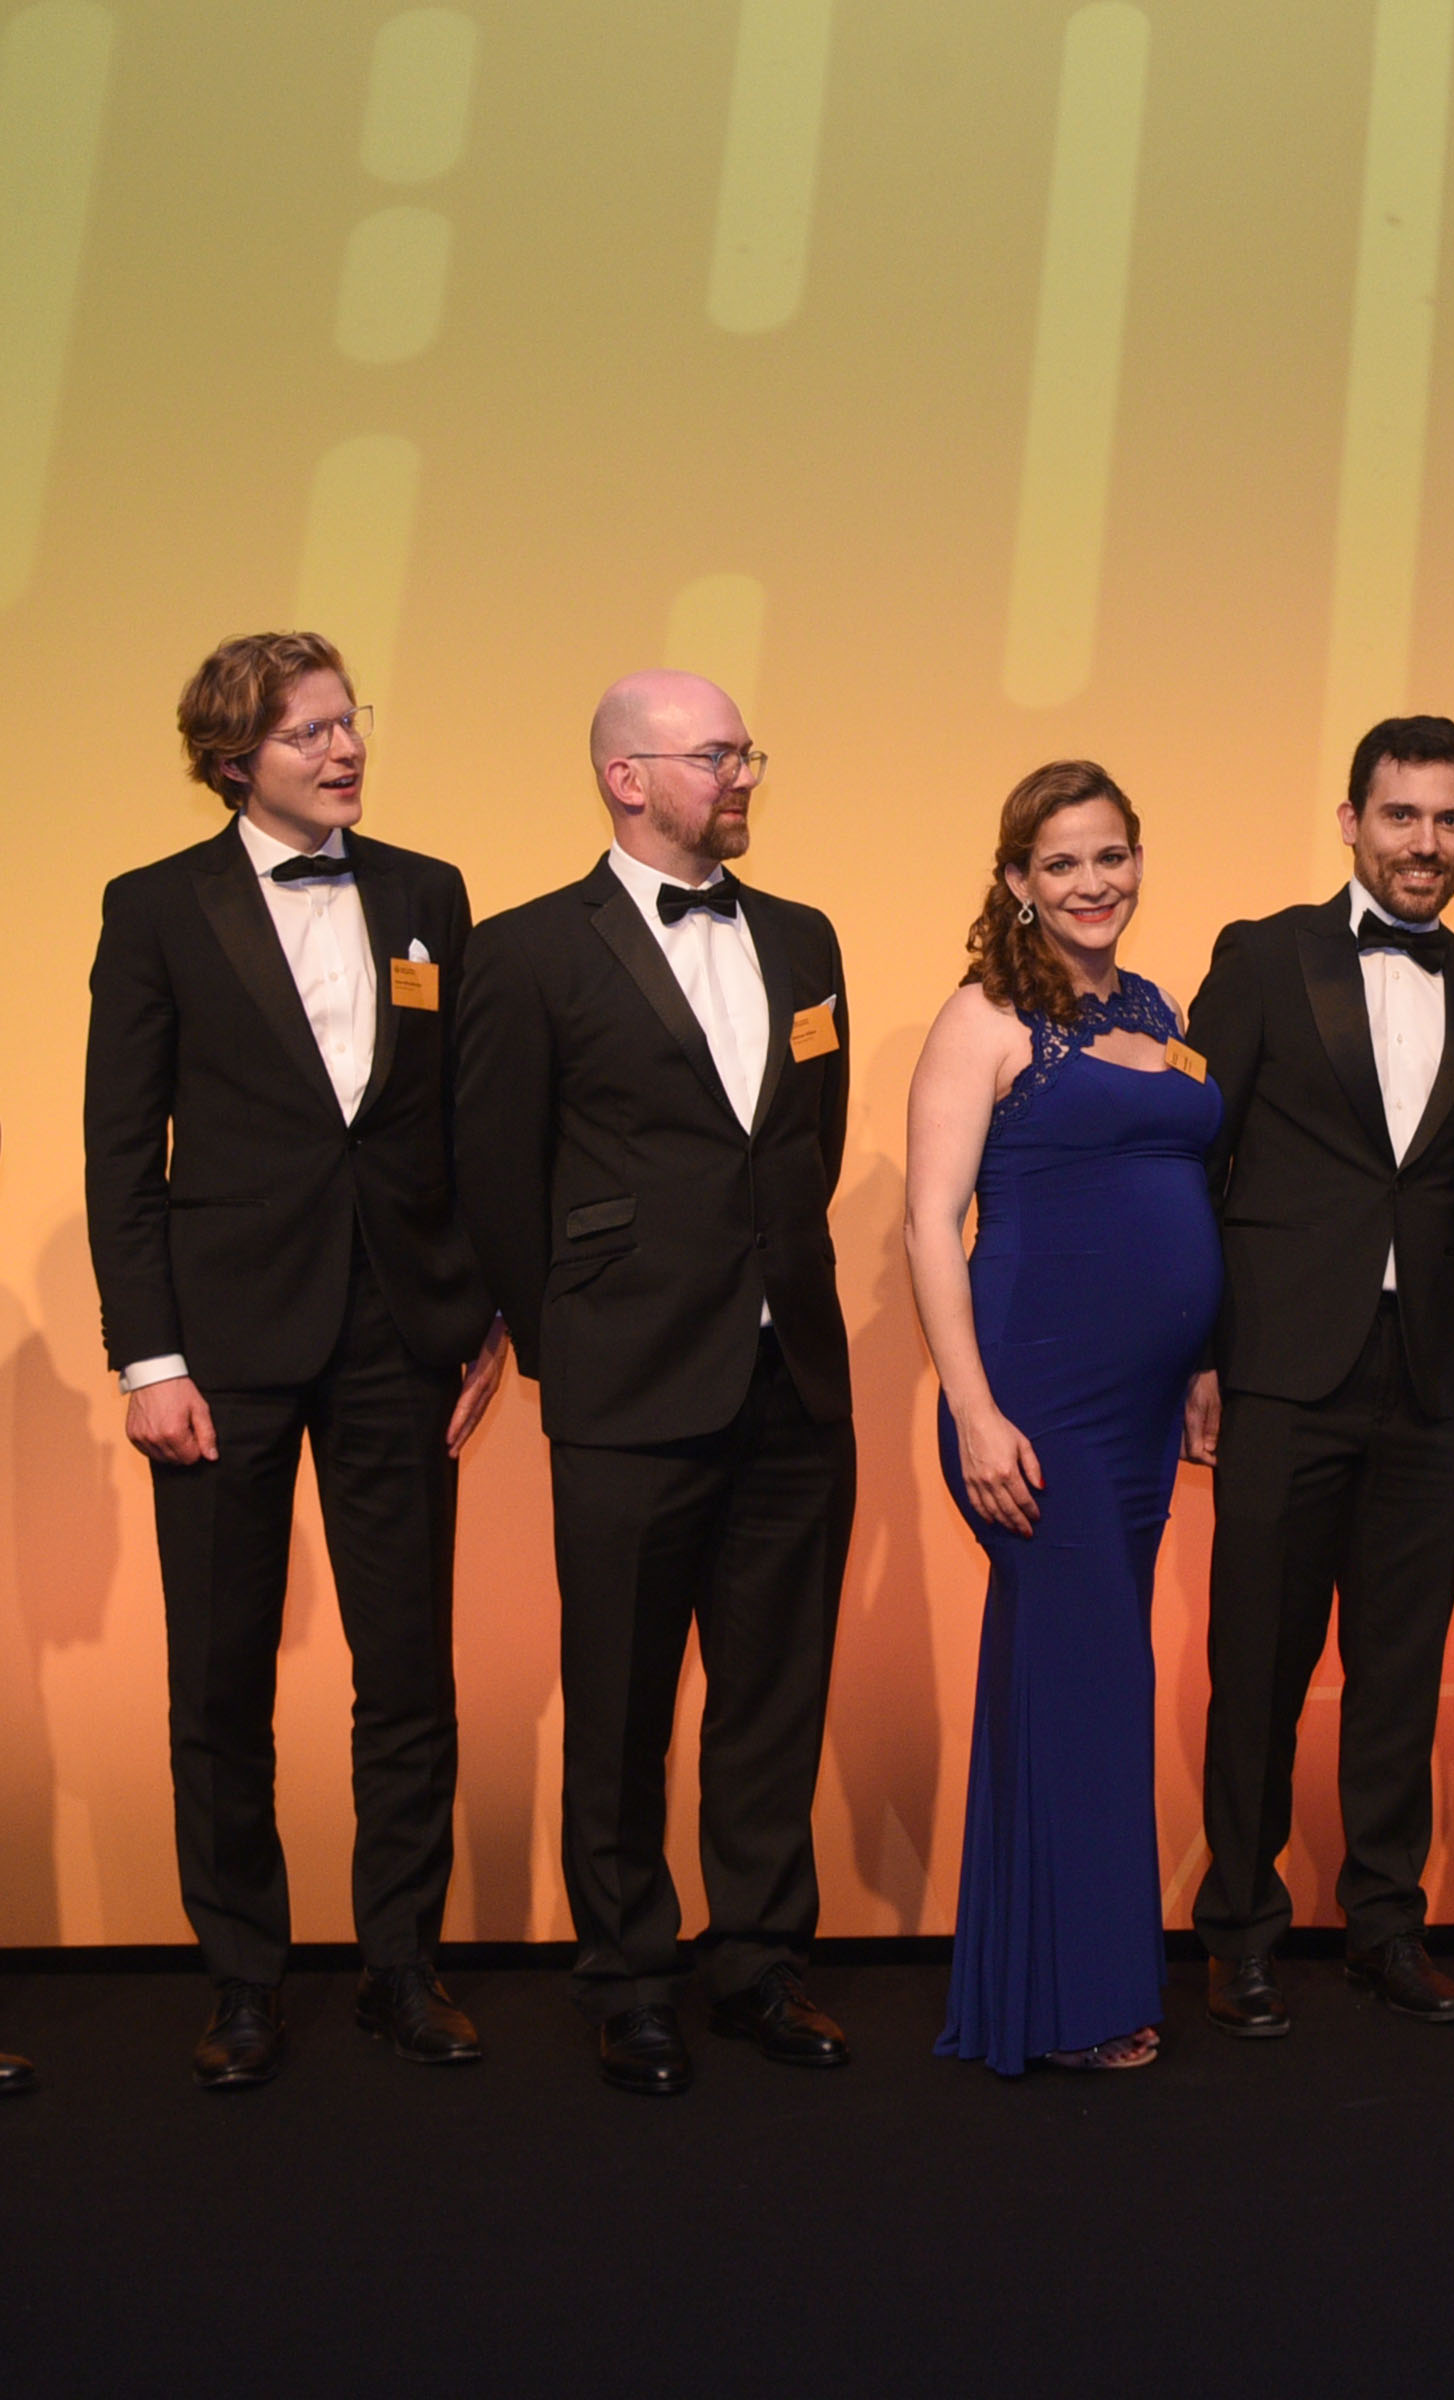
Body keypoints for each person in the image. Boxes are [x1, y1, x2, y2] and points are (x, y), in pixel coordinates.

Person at [84, 631, 508, 2090]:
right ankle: (245, 1978)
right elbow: (119, 1152)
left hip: (402, 1333)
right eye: (309, 732)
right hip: (223, 1345)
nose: (344, 750)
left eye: (349, 722)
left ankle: (403, 1964)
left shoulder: (425, 892)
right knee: (219, 1679)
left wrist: (487, 1315)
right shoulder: (154, 909)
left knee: (407, 1669)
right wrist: (149, 1358)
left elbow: (459, 1122)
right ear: (231, 760)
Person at [456, 671, 857, 2096]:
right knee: (619, 1695)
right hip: (630, 1380)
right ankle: (629, 1974)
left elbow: (806, 1142)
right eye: (717, 754)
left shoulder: (806, 939)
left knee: (775, 1692)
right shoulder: (523, 953)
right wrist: (562, 1341)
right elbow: (497, 1177)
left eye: (751, 749)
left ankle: (759, 1961)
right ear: (627, 778)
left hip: (793, 1376)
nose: (745, 774)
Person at [1180, 718, 1454, 2036]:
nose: (1425, 844)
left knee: (1400, 1674)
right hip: (1278, 1367)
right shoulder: (1263, 956)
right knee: (1255, 1666)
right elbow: (1191, 1161)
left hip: (1429, 1378)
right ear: (1351, 820)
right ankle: (1239, 1934)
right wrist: (1197, 1351)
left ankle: (1387, 1927)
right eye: (1401, 816)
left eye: (1449, 820)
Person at [905, 762, 1221, 2074]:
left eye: (1112, 857)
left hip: (1146, 1407)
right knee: (1096, 1683)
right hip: (1036, 1402)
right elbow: (927, 1222)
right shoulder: (983, 1017)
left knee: (1070, 1681)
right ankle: (1092, 1999)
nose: (1093, 884)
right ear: (1018, 883)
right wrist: (974, 1411)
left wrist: (1199, 1362)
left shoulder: (1158, 1004)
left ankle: (1043, 1980)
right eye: (1063, 865)